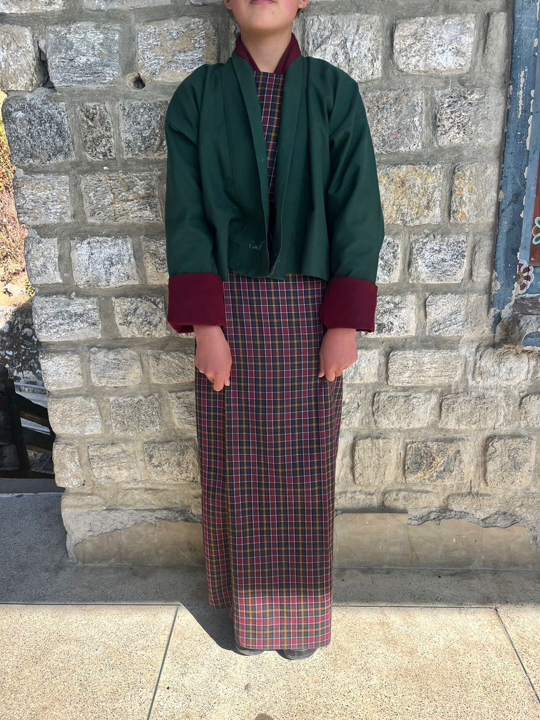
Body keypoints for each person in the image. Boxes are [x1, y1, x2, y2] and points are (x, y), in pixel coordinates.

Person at [164, 0, 385, 661]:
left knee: (302, 467)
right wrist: (206, 327)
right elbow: (186, 216)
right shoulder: (198, 97)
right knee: (236, 464)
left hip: (310, 314)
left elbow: (357, 209)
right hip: (227, 311)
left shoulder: (334, 93)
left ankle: (300, 622)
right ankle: (250, 619)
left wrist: (344, 323)